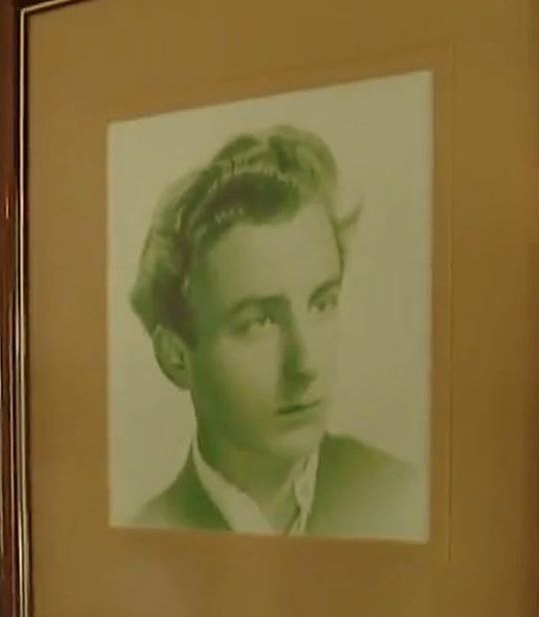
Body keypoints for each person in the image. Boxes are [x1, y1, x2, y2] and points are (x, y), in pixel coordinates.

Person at [126, 125, 421, 539]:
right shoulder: (149, 534)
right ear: (176, 357)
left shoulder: (401, 498)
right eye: (259, 322)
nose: (306, 365)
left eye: (321, 304)